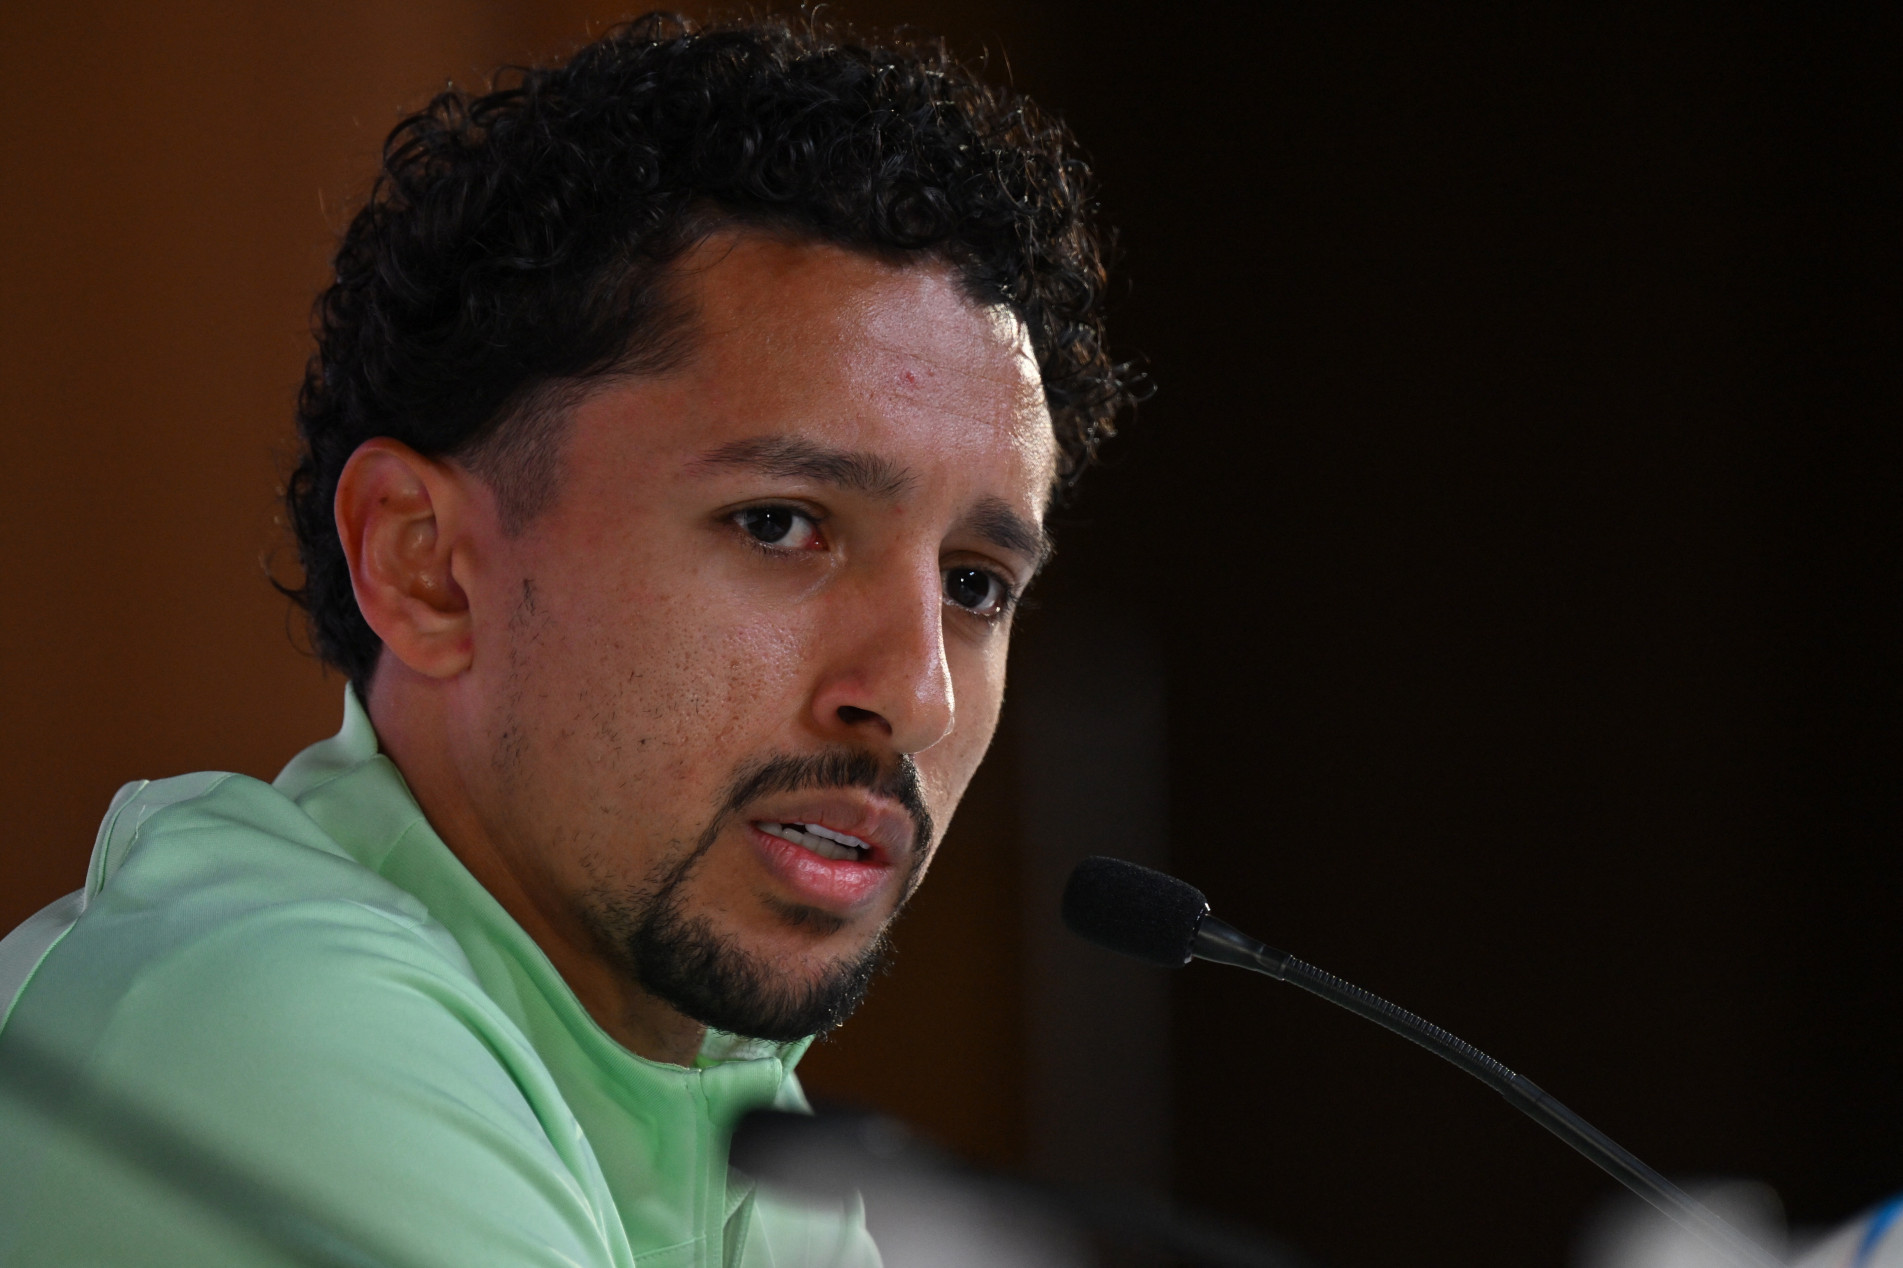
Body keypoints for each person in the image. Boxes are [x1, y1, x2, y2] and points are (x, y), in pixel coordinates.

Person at [0, 14, 1131, 1266]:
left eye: (975, 585)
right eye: (779, 523)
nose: (914, 694)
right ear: (423, 564)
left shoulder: (746, 1118)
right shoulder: (251, 1026)